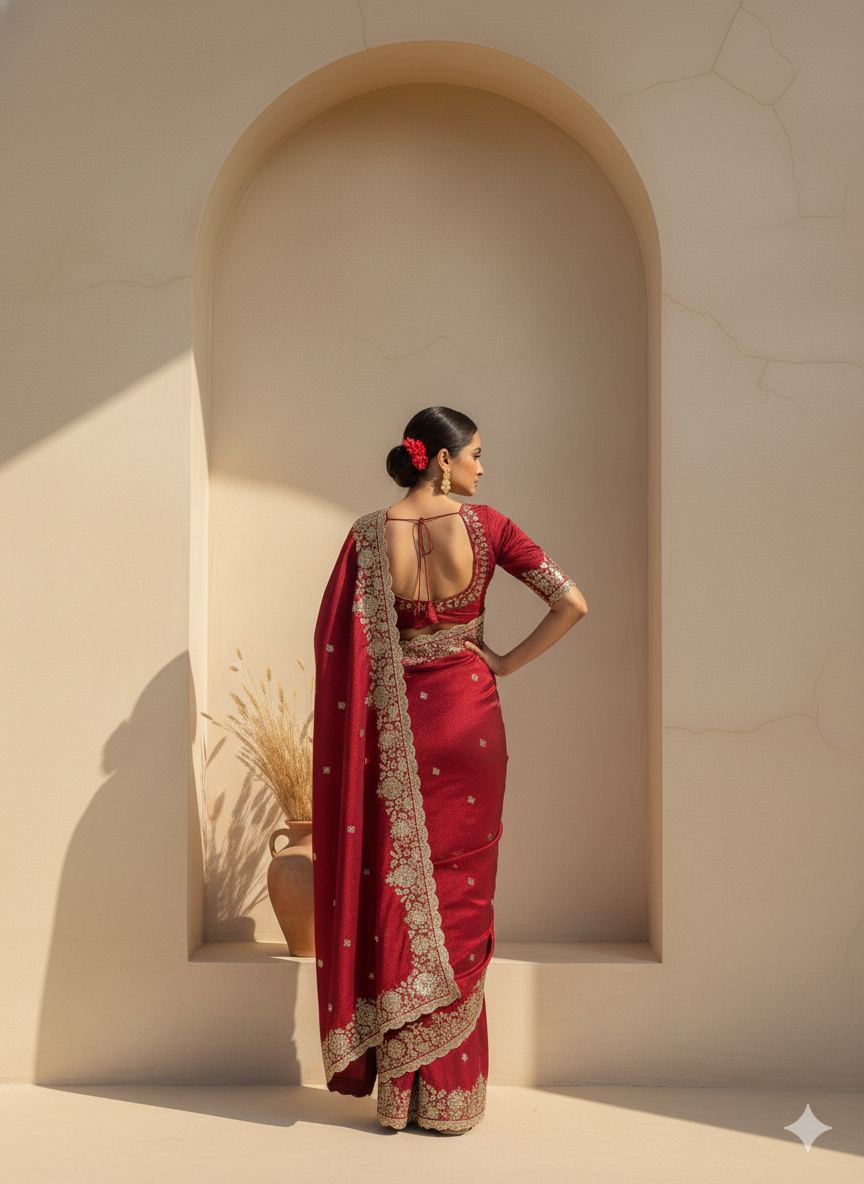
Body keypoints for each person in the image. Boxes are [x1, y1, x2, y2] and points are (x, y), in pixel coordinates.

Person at [311, 406, 588, 1133]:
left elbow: (340, 648)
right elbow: (572, 602)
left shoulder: (369, 535)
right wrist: (500, 662)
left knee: (402, 892)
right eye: (476, 454)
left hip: (399, 729)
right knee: (462, 893)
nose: (482, 468)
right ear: (440, 458)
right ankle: (450, 1097)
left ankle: (402, 1097)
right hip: (471, 719)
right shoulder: (491, 526)